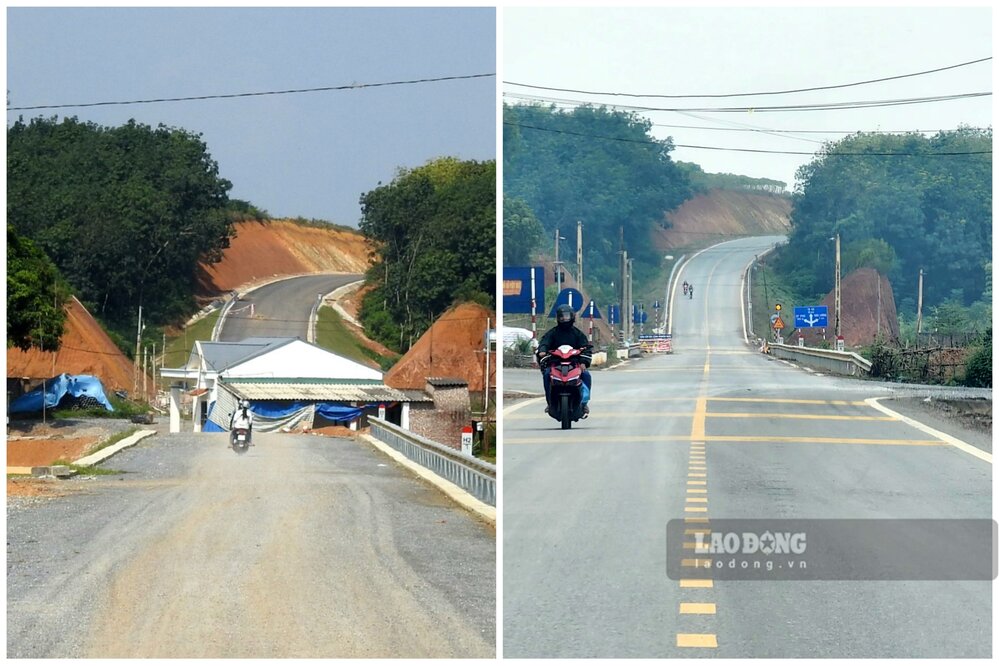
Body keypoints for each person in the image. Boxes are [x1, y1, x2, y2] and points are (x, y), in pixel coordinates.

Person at [536, 304, 593, 417]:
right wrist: (542, 350)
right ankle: (550, 402)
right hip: (555, 363)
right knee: (547, 375)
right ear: (558, 318)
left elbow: (586, 348)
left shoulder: (578, 334)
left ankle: (584, 403)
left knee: (586, 375)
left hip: (574, 363)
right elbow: (544, 342)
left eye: (566, 316)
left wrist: (583, 362)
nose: (564, 319)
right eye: (562, 317)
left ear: (572, 317)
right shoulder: (553, 333)